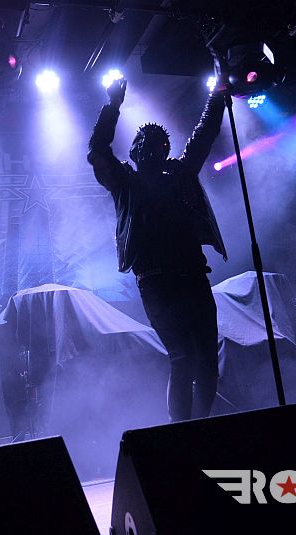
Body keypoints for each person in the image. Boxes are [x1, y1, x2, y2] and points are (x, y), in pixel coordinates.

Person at [87, 55, 228, 422]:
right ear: (135, 150)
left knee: (207, 363)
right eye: (144, 140)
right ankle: (181, 431)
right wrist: (112, 106)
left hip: (193, 277)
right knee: (184, 358)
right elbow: (98, 151)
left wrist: (218, 93)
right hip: (157, 282)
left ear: (165, 149)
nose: (151, 145)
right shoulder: (125, 183)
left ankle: (199, 426)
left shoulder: (179, 174)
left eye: (158, 141)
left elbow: (204, 135)